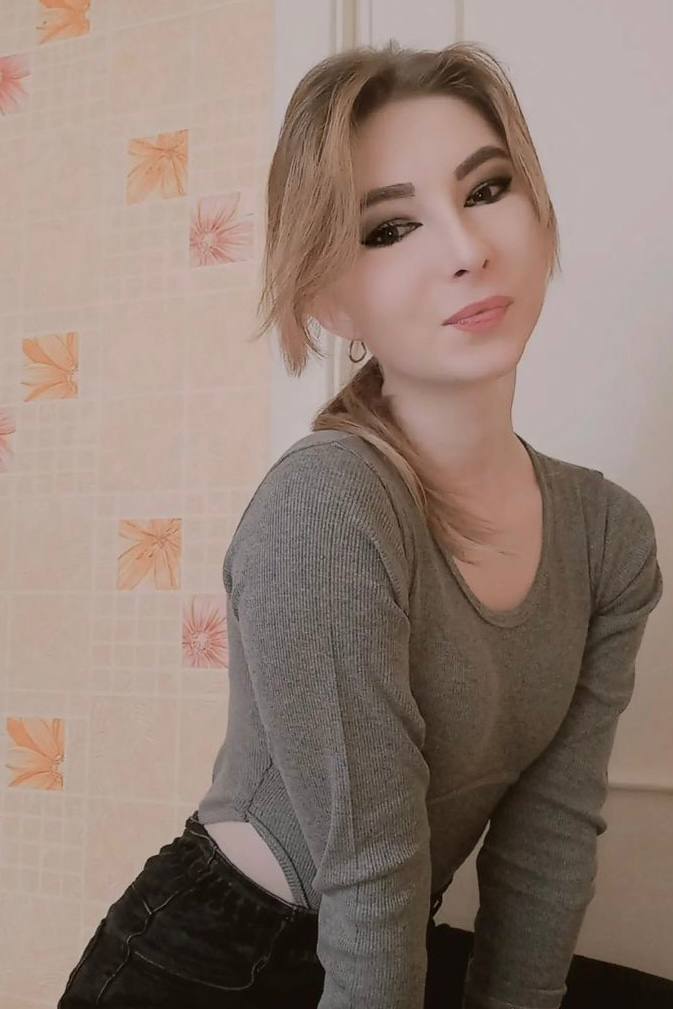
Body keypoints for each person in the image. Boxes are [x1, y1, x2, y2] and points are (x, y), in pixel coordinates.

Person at [57, 40, 668, 1009]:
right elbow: (370, 864)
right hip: (213, 965)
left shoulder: (608, 538)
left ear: (540, 215)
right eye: (389, 228)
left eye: (487, 189)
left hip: (384, 938)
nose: (464, 248)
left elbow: (547, 837)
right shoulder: (328, 505)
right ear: (328, 298)